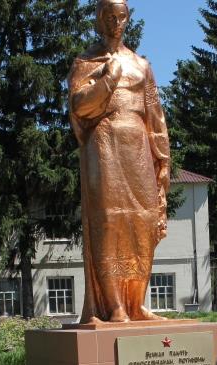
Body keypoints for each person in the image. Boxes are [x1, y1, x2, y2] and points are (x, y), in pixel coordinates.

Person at [68, 0, 171, 323]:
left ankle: (136, 302)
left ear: (127, 19)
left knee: (141, 222)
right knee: (109, 222)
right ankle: (114, 306)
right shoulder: (86, 62)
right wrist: (108, 80)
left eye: (121, 16)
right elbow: (79, 106)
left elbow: (155, 117)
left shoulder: (142, 65)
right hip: (104, 143)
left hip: (137, 145)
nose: (115, 22)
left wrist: (163, 161)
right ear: (99, 19)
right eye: (109, 16)